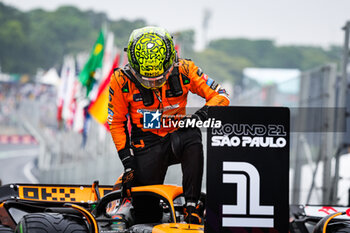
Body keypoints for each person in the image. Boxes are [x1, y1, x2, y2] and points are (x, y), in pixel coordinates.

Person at [108, 26, 229, 224]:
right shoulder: (120, 80)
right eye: (147, 79)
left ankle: (192, 204)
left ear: (171, 61)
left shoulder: (185, 69)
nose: (154, 83)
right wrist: (128, 161)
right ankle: (139, 203)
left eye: (159, 77)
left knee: (193, 133)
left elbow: (221, 95)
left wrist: (200, 116)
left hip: (179, 136)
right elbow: (116, 122)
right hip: (146, 142)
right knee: (145, 212)